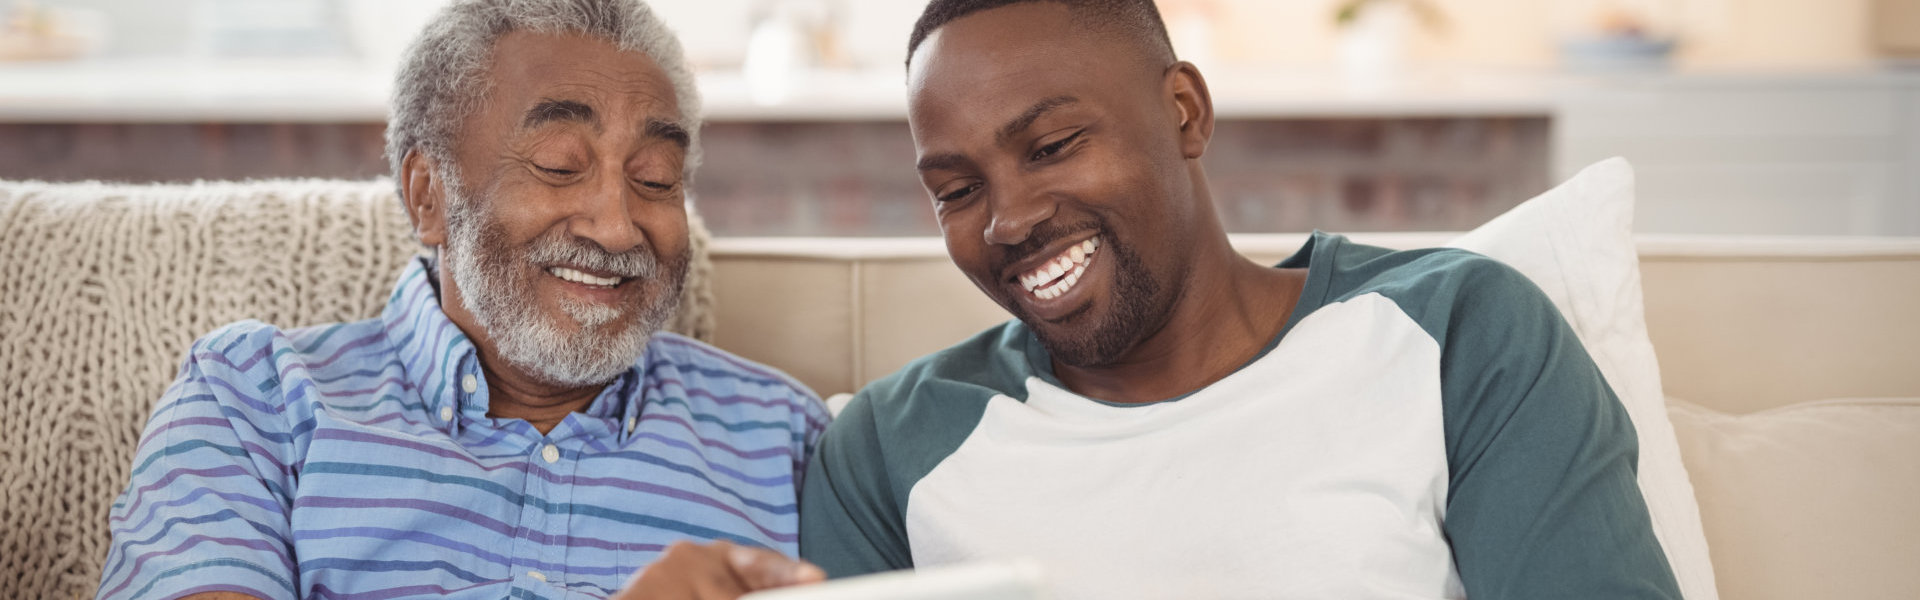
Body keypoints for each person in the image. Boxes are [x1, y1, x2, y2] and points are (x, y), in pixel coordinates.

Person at [797, 1, 1683, 598]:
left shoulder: (1461, 331)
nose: (1007, 222)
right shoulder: (886, 447)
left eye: (1054, 144)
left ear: (1184, 111)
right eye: (957, 191)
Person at [95, 1, 829, 598]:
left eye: (658, 178)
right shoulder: (253, 399)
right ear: (428, 196)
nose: (616, 225)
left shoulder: (785, 438)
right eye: (559, 166)